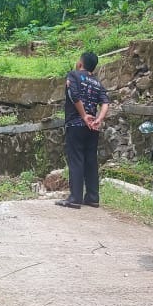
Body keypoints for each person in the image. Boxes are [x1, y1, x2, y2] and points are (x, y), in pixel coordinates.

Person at [57, 51, 110, 209]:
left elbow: (74, 95)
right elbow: (105, 102)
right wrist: (99, 119)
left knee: (76, 160)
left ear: (80, 63)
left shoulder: (73, 75)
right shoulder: (97, 82)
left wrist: (83, 115)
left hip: (76, 124)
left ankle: (75, 198)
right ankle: (93, 197)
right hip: (93, 127)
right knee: (91, 161)